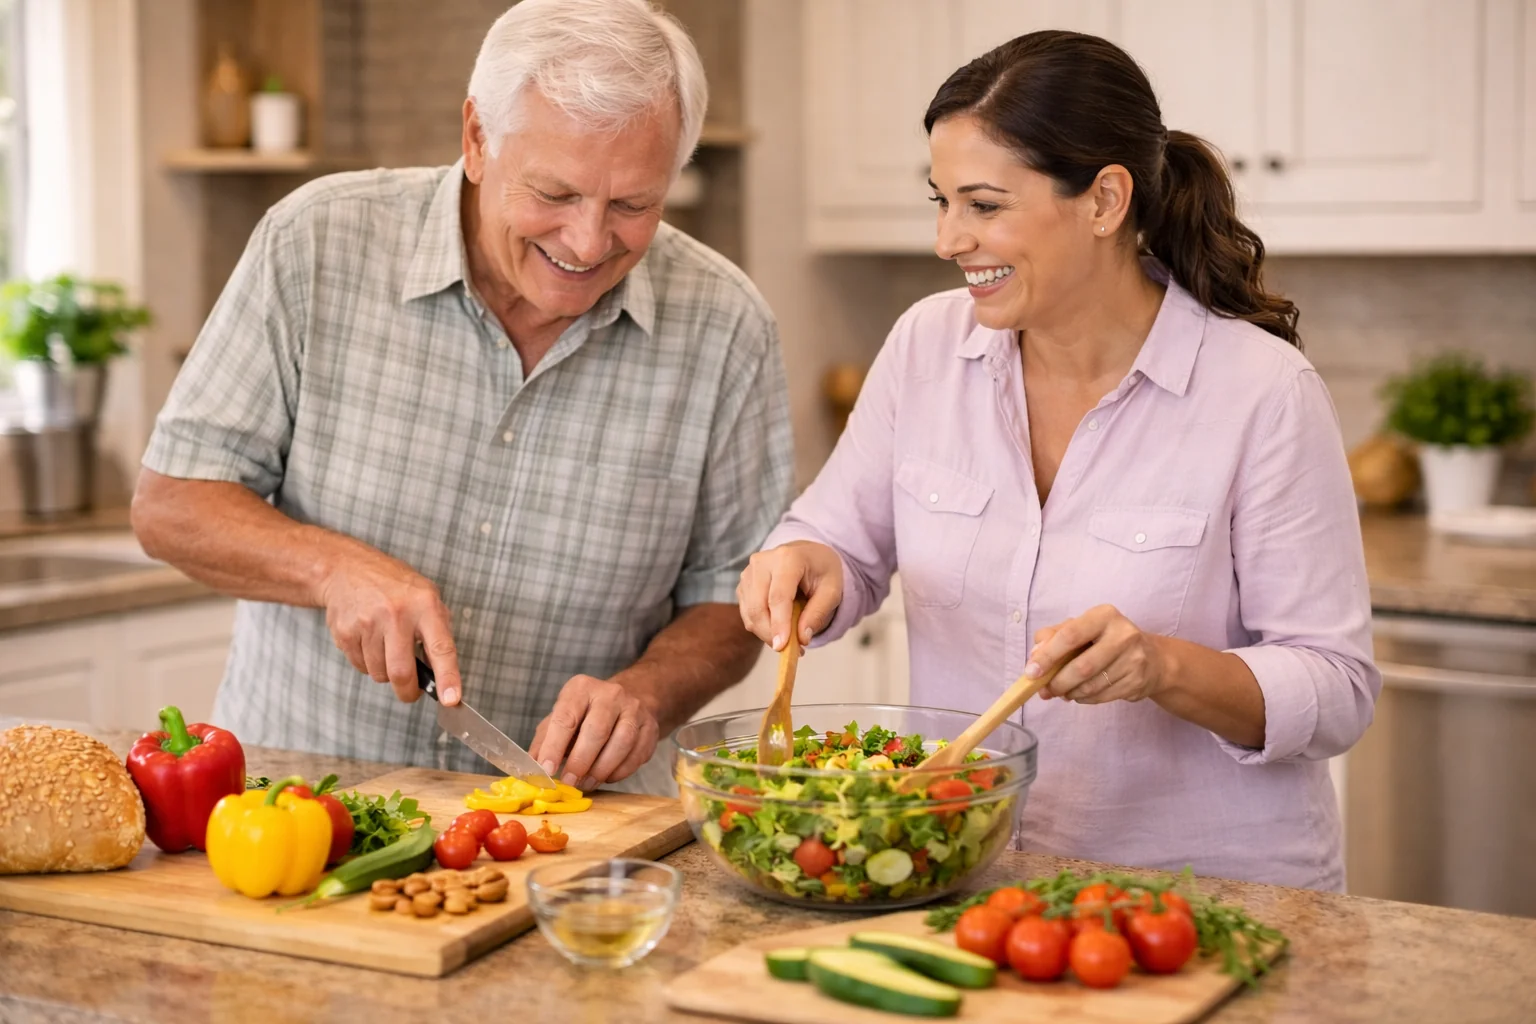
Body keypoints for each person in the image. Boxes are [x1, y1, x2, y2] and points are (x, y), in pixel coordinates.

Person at [737, 31, 1379, 890]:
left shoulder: (1261, 392)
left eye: (984, 205)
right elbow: (840, 542)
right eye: (942, 202)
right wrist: (803, 562)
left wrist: (1162, 666)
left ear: (1106, 199)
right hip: (972, 874)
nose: (949, 239)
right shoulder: (927, 347)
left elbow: (1336, 689)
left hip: (1205, 898)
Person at [132, 0, 792, 795]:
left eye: (633, 206)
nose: (587, 243)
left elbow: (730, 599)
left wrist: (648, 694)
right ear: (477, 138)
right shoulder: (315, 242)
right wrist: (330, 568)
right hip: (300, 813)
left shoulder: (727, 326)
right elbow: (171, 504)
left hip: (573, 836)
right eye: (554, 193)